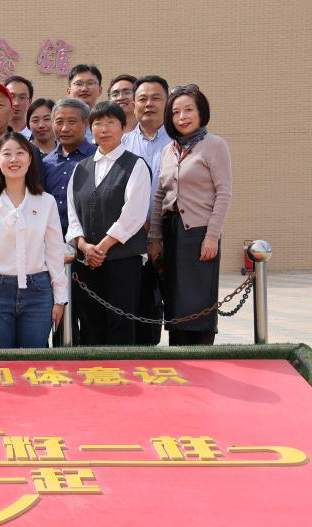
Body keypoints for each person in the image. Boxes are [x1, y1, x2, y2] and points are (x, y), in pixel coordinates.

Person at [149, 85, 232, 346]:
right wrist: (154, 238)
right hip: (171, 232)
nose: (182, 117)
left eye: (188, 110)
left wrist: (212, 237)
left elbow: (224, 193)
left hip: (199, 234)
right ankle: (178, 356)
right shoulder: (168, 150)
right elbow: (160, 196)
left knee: (198, 303)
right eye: (176, 112)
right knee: (175, 301)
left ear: (201, 112)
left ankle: (201, 355)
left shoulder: (214, 145)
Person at [0, 132, 66, 348]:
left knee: (34, 360)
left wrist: (60, 298)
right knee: (0, 361)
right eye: (7, 154)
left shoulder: (46, 201)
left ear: (30, 159)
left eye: (20, 153)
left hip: (39, 291)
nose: (14, 159)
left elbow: (54, 253)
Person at [66, 102, 150, 346]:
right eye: (98, 123)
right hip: (86, 261)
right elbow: (73, 213)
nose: (104, 129)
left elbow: (133, 215)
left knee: (120, 324)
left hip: (123, 260)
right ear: (90, 128)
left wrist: (101, 248)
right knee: (90, 324)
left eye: (111, 123)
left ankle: (121, 371)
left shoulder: (135, 165)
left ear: (123, 127)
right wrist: (83, 246)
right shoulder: (80, 168)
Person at [122, 75, 172, 345]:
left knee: (178, 305)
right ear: (133, 104)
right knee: (142, 306)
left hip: (173, 234)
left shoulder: (179, 142)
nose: (148, 104)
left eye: (156, 98)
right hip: (134, 237)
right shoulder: (123, 144)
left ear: (167, 102)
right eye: (142, 98)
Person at [42, 98, 96, 237]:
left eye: (72, 122)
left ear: (86, 123)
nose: (65, 128)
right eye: (59, 122)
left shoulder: (98, 158)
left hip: (88, 239)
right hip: (51, 237)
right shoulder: (45, 163)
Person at [67, 64, 103, 144]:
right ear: (69, 91)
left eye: (90, 83)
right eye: (79, 84)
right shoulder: (59, 124)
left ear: (100, 90)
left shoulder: (107, 123)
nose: (84, 89)